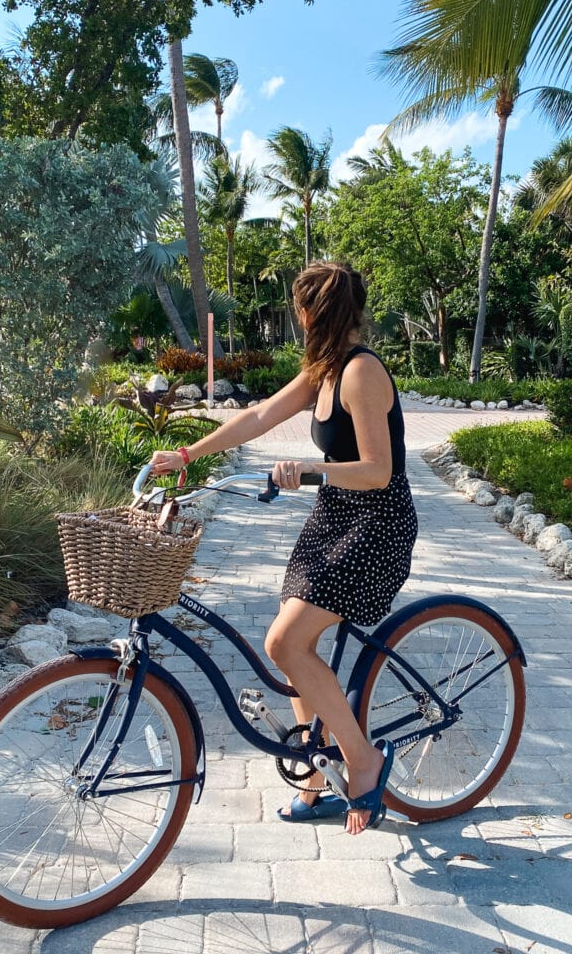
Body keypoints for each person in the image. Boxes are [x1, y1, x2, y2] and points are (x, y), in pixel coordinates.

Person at [150, 261, 418, 835]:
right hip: (335, 519)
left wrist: (313, 469)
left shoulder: (360, 374)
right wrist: (189, 454)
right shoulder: (322, 371)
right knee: (297, 642)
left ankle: (364, 762)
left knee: (285, 642)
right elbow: (257, 414)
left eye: (301, 308)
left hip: (378, 525)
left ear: (310, 313)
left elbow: (377, 471)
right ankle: (316, 776)